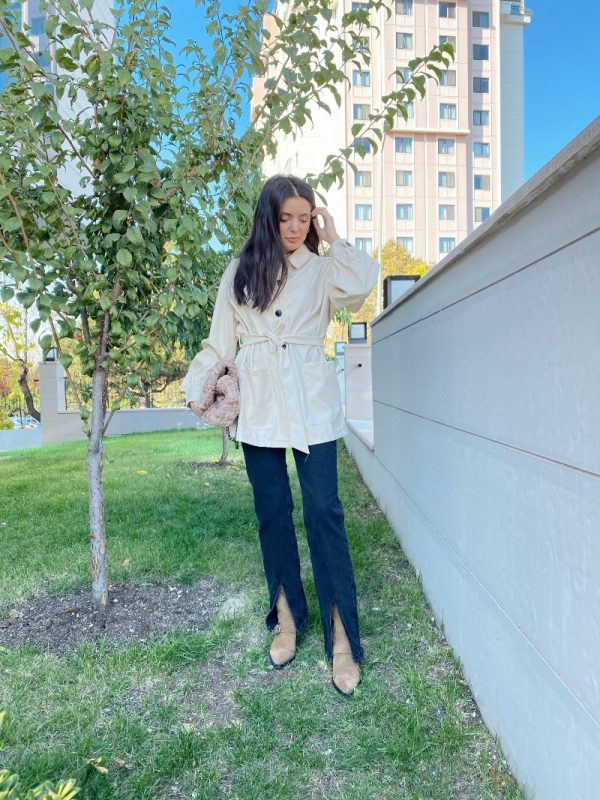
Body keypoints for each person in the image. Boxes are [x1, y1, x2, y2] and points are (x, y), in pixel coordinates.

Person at [183, 175, 379, 695]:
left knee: (324, 513)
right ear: (268, 218)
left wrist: (333, 237)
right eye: (285, 217)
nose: (294, 227)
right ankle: (287, 617)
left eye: (304, 218)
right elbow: (219, 342)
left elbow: (361, 288)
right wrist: (198, 385)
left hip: (312, 399)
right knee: (272, 512)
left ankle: (343, 636)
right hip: (260, 401)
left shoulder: (324, 268)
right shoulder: (239, 271)